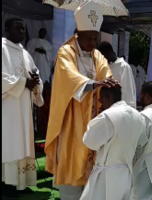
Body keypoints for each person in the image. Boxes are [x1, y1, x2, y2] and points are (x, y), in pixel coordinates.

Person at [45, 2, 119, 200]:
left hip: (93, 117)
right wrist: (94, 84)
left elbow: (106, 73)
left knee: (92, 170)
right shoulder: (66, 52)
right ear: (78, 33)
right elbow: (69, 78)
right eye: (89, 39)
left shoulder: (96, 55)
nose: (93, 44)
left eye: (95, 38)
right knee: (72, 163)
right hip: (72, 121)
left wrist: (109, 83)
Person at [2, 17, 44, 198]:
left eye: (24, 29)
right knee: (9, 143)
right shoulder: (2, 48)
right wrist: (22, 82)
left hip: (24, 108)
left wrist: (35, 82)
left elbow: (35, 74)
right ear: (6, 30)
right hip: (8, 108)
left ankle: (20, 183)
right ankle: (5, 183)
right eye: (18, 28)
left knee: (22, 142)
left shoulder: (25, 53)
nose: (22, 31)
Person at [80, 86, 144, 200]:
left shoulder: (108, 116)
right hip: (126, 173)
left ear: (107, 97)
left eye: (100, 100)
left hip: (106, 176)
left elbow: (89, 140)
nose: (99, 104)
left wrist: (97, 118)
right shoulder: (137, 115)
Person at [98, 41, 136, 108]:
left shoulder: (123, 67)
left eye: (103, 56)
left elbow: (127, 91)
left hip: (119, 109)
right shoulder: (103, 66)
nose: (102, 60)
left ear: (109, 52)